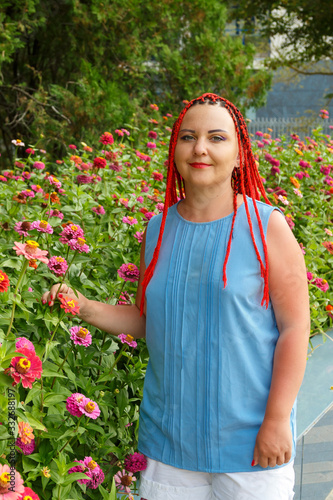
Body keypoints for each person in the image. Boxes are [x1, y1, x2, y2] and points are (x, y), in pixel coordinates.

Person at [43, 93, 310, 500]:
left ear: (240, 154)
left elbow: (295, 329)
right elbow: (153, 321)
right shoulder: (157, 230)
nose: (199, 148)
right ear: (175, 150)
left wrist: (276, 421)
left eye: (216, 138)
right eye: (188, 137)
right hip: (169, 443)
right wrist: (82, 306)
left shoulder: (267, 227)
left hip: (253, 446)